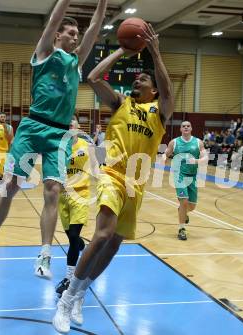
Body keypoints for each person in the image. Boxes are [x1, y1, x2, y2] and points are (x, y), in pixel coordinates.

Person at [0, 0, 108, 279]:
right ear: (57, 35)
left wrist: (103, 2)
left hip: (58, 134)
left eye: (76, 34)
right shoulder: (45, 52)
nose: (75, 36)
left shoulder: (76, 61)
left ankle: (45, 253)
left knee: (52, 191)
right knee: (9, 186)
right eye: (70, 33)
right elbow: (53, 20)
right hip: (33, 127)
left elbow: (94, 28)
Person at [52, 23, 174, 333]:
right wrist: (122, 50)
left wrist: (155, 52)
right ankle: (67, 299)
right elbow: (92, 77)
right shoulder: (122, 103)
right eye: (138, 77)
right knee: (103, 234)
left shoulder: (160, 112)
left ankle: (80, 292)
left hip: (137, 183)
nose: (139, 79)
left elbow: (169, 89)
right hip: (112, 174)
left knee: (115, 244)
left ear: (154, 90)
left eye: (145, 78)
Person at [55, 117, 96, 298]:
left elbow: (100, 164)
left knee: (72, 237)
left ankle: (69, 278)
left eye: (73, 123)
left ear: (78, 127)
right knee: (74, 239)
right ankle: (83, 247)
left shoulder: (86, 144)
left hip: (81, 194)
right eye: (68, 123)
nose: (70, 126)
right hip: (62, 197)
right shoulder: (58, 146)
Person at [164, 121, 207, 241]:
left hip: (192, 176)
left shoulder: (198, 142)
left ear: (191, 128)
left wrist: (196, 161)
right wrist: (163, 158)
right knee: (184, 201)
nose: (186, 127)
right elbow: (166, 154)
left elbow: (205, 158)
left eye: (188, 126)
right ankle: (181, 229)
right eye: (184, 126)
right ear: (181, 129)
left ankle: (182, 212)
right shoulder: (175, 142)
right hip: (179, 175)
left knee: (191, 207)